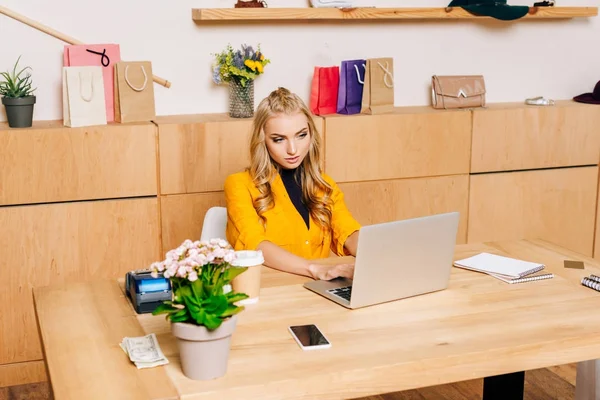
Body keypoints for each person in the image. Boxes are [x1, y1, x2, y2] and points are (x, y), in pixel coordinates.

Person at [224, 87, 361, 281]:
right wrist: (314, 269)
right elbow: (255, 245)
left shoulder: (324, 185)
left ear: (311, 134)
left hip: (319, 289)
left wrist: (376, 250)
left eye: (301, 135)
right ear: (262, 140)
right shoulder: (239, 185)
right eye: (279, 139)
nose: (293, 149)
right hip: (270, 290)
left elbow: (347, 231)